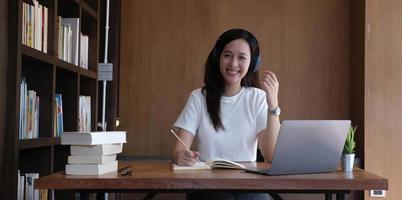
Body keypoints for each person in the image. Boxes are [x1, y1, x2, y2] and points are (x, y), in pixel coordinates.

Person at [171, 29, 281, 200]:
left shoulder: (258, 98)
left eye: (242, 58)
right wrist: (181, 156)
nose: (233, 64)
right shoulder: (198, 98)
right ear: (218, 58)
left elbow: (271, 155)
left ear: (252, 64)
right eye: (227, 55)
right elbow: (178, 150)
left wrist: (273, 104)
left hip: (248, 187)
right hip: (207, 187)